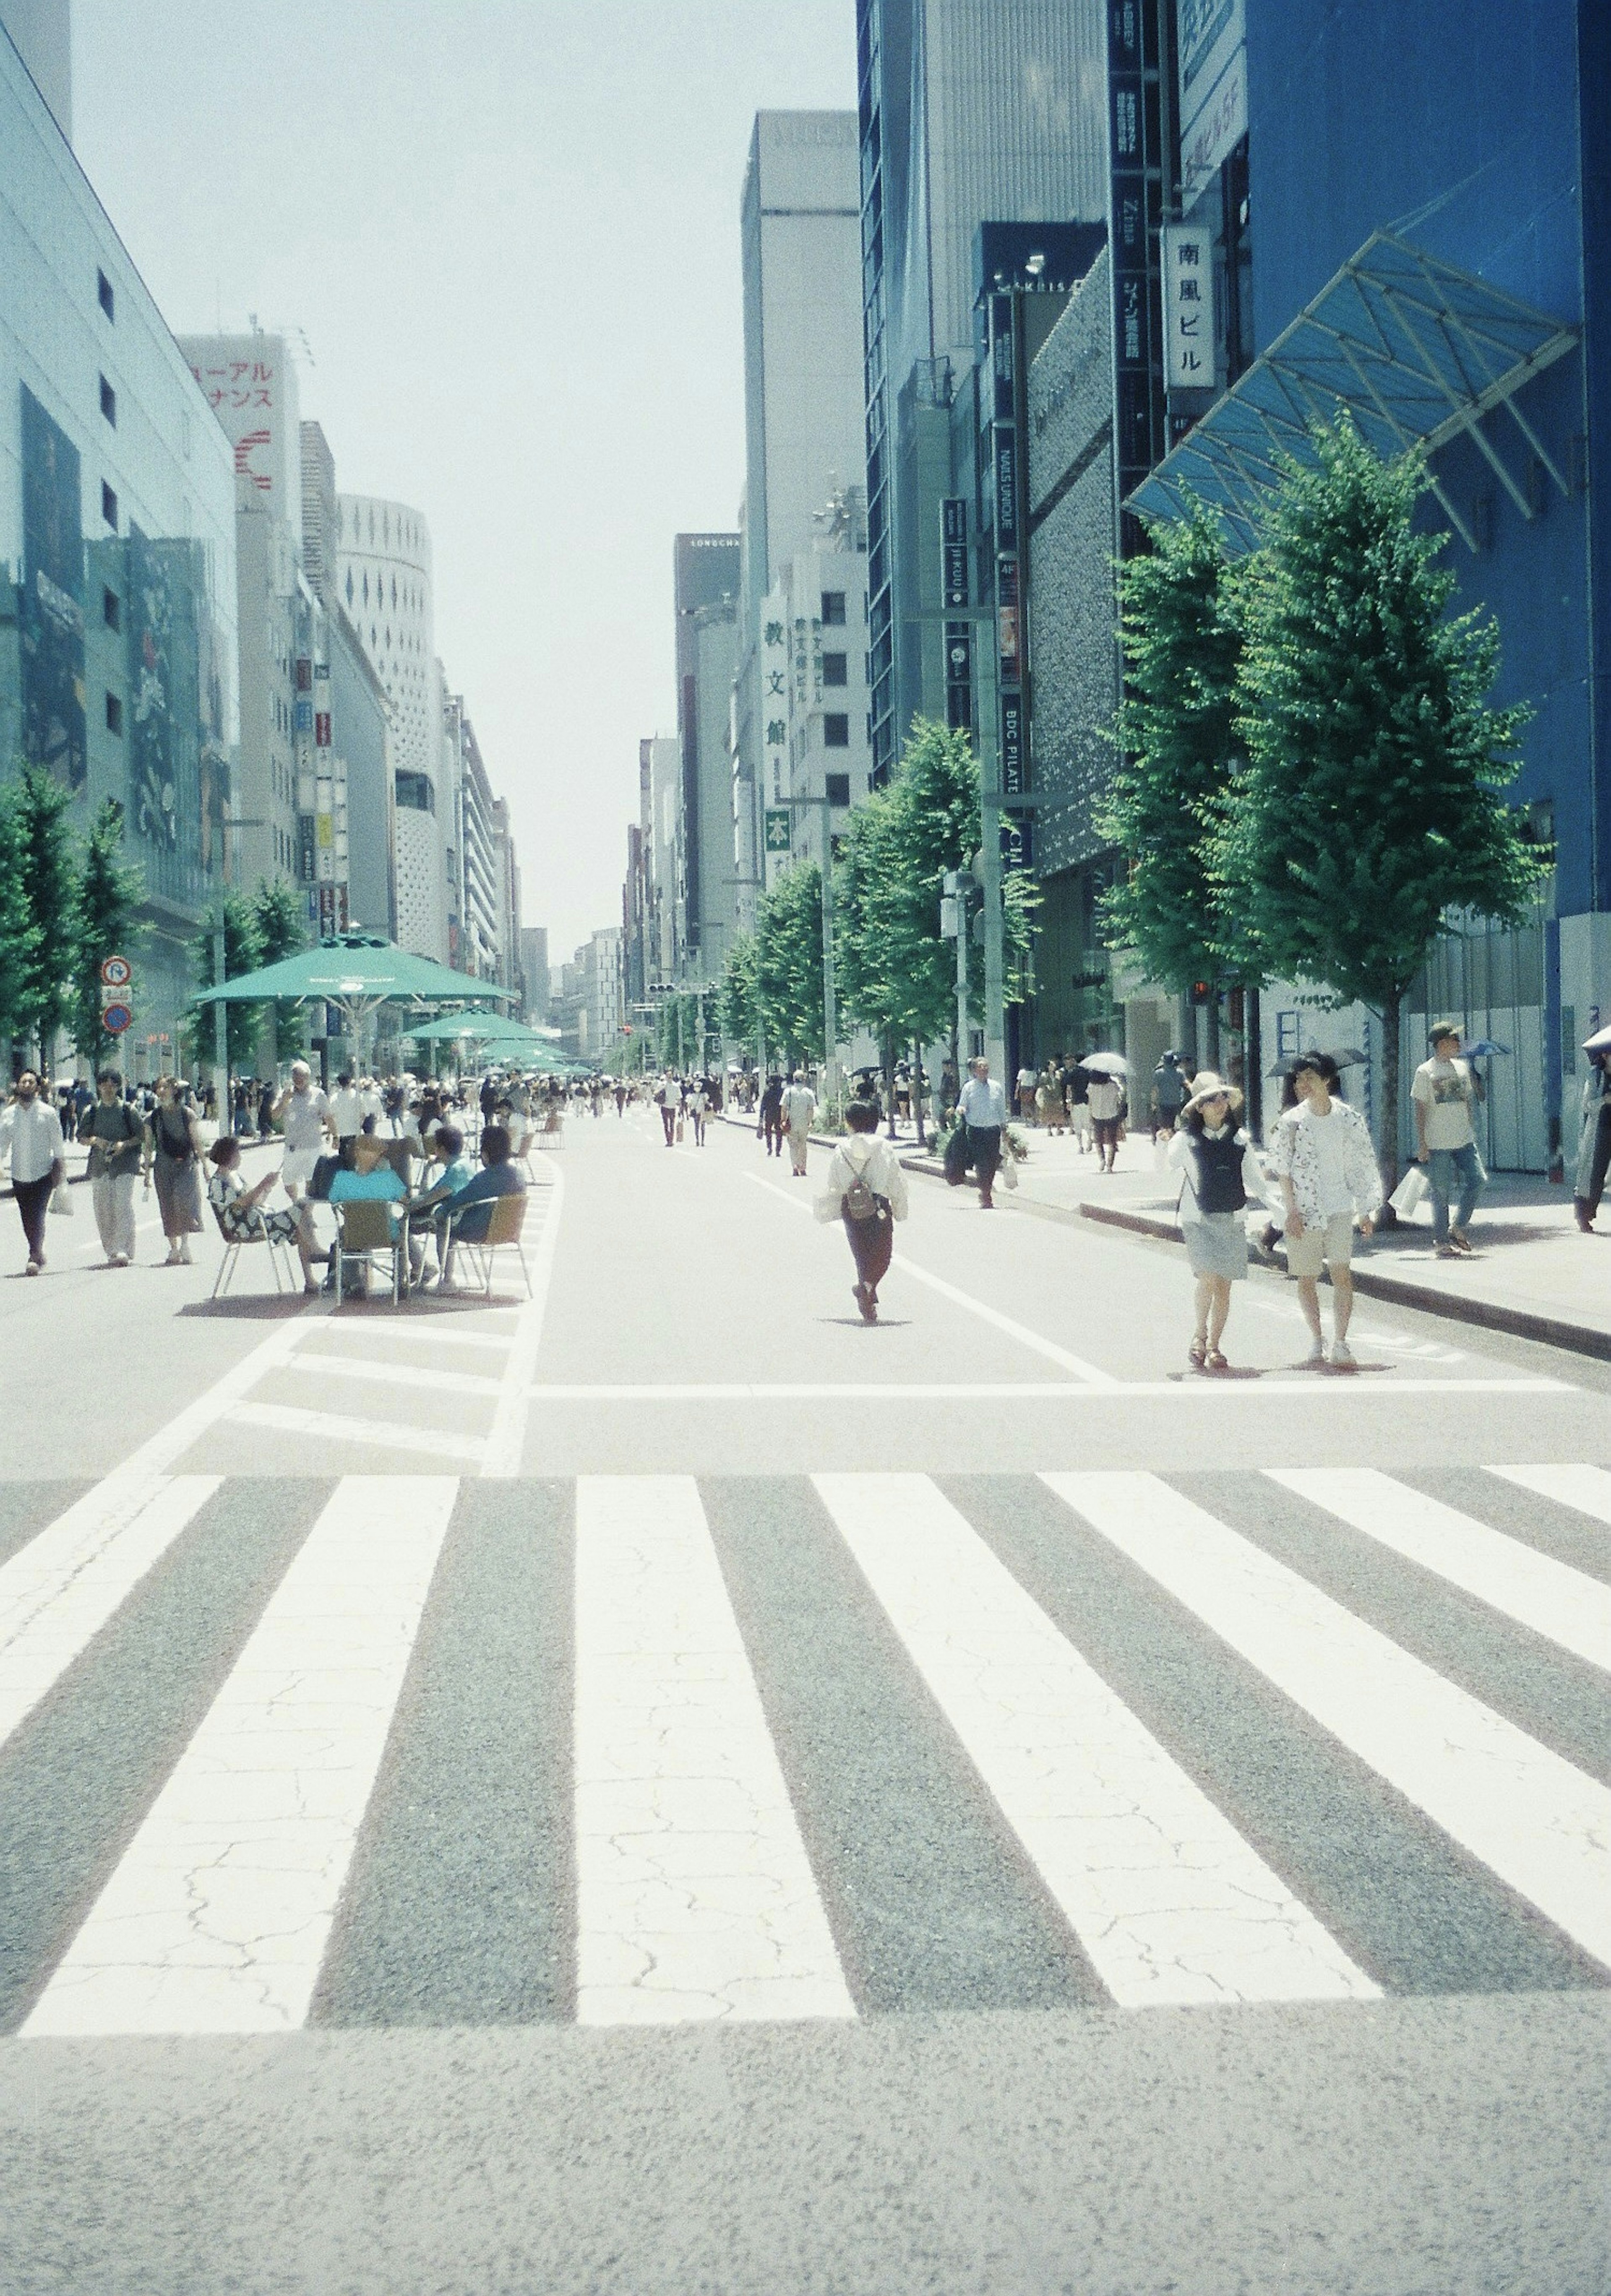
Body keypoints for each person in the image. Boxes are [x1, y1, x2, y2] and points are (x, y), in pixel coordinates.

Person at [1271, 1052, 1383, 1368]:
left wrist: (1365, 1209)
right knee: (1307, 1277)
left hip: (1339, 1207)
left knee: (1341, 1273)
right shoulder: (1291, 1122)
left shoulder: (1349, 1119)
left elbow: (1363, 1165)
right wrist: (1290, 1211)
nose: (1302, 1084)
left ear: (1327, 1081)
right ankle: (1316, 1338)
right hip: (1305, 1211)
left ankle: (1342, 1342)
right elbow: (1283, 1171)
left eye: (1309, 1077)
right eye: (1298, 1078)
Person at [1168, 1072, 1264, 1372]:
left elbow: (1256, 1181)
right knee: (1208, 1277)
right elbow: (1168, 1165)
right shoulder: (1185, 1139)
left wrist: (1279, 1209)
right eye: (1211, 1099)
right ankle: (1200, 1335)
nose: (1220, 1103)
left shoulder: (1240, 1139)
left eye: (1223, 1097)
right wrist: (1162, 1145)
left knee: (1224, 1285)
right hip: (1198, 1218)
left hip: (1232, 1216)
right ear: (1199, 1107)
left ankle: (1215, 1346)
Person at [815, 1098, 910, 1324]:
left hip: (852, 1206)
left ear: (850, 1122)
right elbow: (896, 1179)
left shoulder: (841, 1149)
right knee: (883, 1255)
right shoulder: (884, 1147)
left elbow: (834, 1181)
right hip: (878, 1206)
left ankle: (867, 1301)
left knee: (862, 1256)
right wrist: (900, 1207)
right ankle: (866, 1289)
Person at [206, 1136, 325, 1292]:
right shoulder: (218, 1183)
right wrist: (263, 1184)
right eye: (238, 1153)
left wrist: (268, 1187)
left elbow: (256, 1201)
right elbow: (240, 1206)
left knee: (303, 1208)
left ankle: (311, 1277)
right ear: (230, 1156)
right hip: (244, 1226)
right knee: (301, 1211)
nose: (240, 1157)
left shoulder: (235, 1177)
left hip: (259, 1219)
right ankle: (314, 1253)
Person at [1412, 1022, 1484, 1257]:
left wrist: (1471, 1125)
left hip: (1464, 1139)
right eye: (1454, 1040)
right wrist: (1422, 1143)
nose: (1458, 1044)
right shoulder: (1425, 1072)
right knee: (1441, 1192)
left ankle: (1459, 1225)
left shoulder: (1463, 1068)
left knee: (1478, 1179)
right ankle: (1442, 1242)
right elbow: (1421, 1109)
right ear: (1441, 1043)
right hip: (1438, 1141)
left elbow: (1469, 1101)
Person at [433, 1122, 527, 1289]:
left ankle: (447, 1280)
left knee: (444, 1227)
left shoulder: (484, 1178)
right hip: (510, 1230)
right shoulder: (519, 1175)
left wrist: (440, 1211)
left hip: (482, 1230)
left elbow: (457, 1202)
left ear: (485, 1155)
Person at [0, 1069, 65, 1276]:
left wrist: (60, 1169)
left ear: (37, 1088)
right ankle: (37, 1251)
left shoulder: (48, 1113)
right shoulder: (9, 1115)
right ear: (18, 1086)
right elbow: (2, 1144)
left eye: (31, 1082)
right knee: (26, 1217)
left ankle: (33, 1255)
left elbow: (58, 1145)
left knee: (38, 1215)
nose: (27, 1085)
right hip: (19, 1174)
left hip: (43, 1174)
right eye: (23, 1082)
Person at [78, 1069, 144, 1267]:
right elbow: (81, 1137)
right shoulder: (92, 1112)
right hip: (99, 1165)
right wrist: (94, 1141)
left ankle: (123, 1248)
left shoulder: (128, 1111)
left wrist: (124, 1145)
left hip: (124, 1165)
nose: (108, 1088)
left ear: (118, 1087)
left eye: (113, 1084)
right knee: (103, 1209)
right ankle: (111, 1250)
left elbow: (141, 1136)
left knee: (122, 1205)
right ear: (98, 1087)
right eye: (104, 1084)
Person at [143, 1075, 204, 1265]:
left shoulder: (187, 1114)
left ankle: (185, 1244)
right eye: (159, 1088)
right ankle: (174, 1248)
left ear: (175, 1091)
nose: (162, 1092)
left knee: (184, 1201)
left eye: (166, 1088)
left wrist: (206, 1167)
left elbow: (197, 1141)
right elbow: (148, 1146)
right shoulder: (152, 1118)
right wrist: (146, 1174)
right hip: (163, 1167)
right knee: (167, 1206)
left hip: (186, 1164)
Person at [404, 1122, 475, 1284]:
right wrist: (427, 1169)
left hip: (451, 1218)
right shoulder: (462, 1166)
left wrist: (408, 1208)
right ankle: (425, 1268)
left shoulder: (456, 1171)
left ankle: (422, 1266)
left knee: (400, 1228)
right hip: (457, 1215)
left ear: (442, 1149)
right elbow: (426, 1194)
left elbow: (430, 1198)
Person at [274, 1062, 332, 1201]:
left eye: (302, 1077)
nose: (298, 1080)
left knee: (312, 1181)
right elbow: (275, 1116)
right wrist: (284, 1102)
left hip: (313, 1146)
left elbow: (328, 1117)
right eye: (296, 1077)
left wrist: (335, 1135)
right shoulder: (285, 1094)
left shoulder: (319, 1095)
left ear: (308, 1078)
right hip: (292, 1147)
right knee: (288, 1181)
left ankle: (306, 1212)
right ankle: (297, 1205)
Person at [958, 1055, 1007, 1208]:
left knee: (993, 1162)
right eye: (980, 1067)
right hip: (976, 1131)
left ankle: (986, 1189)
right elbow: (962, 1104)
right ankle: (986, 1194)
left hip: (993, 1131)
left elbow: (1001, 1108)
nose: (984, 1069)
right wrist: (961, 1110)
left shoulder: (997, 1087)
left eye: (986, 1066)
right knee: (982, 1162)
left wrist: (1004, 1127)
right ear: (974, 1070)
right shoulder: (969, 1087)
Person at [1574, 1049, 1611, 1232]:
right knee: (1594, 1175)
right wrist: (1605, 1100)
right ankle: (1584, 1215)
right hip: (1601, 1131)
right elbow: (1587, 1105)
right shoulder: (1596, 1076)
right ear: (1605, 1055)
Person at [1086, 1066, 1126, 1174]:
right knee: (1112, 1141)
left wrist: (1090, 1114)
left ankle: (1102, 1160)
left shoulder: (1091, 1086)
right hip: (1112, 1115)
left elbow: (1090, 1102)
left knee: (1098, 1140)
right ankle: (1110, 1165)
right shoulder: (1113, 1086)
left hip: (1097, 1115)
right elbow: (1120, 1095)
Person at [782, 1070, 817, 1177]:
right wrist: (810, 1122)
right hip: (804, 1123)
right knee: (803, 1145)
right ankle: (803, 1168)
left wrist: (783, 1121)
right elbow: (811, 1109)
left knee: (793, 1146)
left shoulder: (788, 1092)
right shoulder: (808, 1092)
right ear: (804, 1080)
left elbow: (784, 1108)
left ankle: (795, 1167)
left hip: (792, 1123)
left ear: (794, 1080)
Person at [328, 1071, 366, 1166]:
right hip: (355, 1132)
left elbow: (331, 1117)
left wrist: (332, 1134)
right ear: (350, 1081)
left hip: (341, 1134)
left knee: (343, 1160)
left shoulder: (334, 1098)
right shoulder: (358, 1096)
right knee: (355, 1160)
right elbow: (363, 1114)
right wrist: (360, 1125)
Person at [1151, 1051, 1189, 1141]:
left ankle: (1166, 1140)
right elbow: (1186, 1084)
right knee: (1174, 1123)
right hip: (1176, 1102)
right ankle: (1172, 1138)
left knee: (1164, 1124)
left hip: (1163, 1103)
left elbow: (1155, 1090)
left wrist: (1153, 1103)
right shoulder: (1180, 1073)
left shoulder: (1158, 1073)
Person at [758, 1073, 785, 1158]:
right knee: (779, 1133)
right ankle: (778, 1150)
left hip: (769, 1114)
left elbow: (763, 1105)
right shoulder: (782, 1092)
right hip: (779, 1114)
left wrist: (761, 1116)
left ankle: (770, 1148)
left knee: (768, 1132)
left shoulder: (768, 1091)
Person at [654, 1073, 680, 1147]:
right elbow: (679, 1098)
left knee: (666, 1124)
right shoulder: (676, 1086)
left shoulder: (663, 1085)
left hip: (665, 1106)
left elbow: (656, 1093)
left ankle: (669, 1140)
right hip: (672, 1107)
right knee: (672, 1124)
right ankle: (671, 1140)